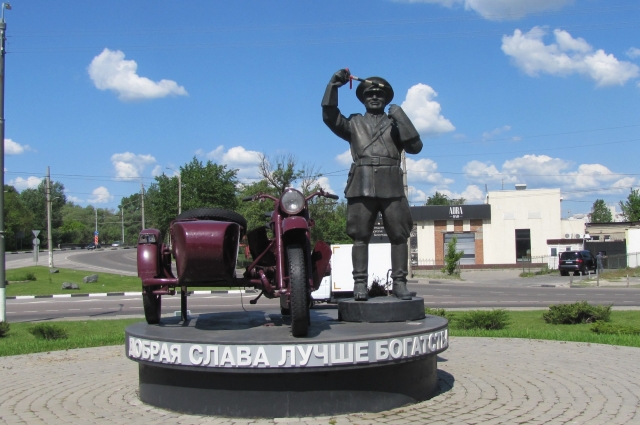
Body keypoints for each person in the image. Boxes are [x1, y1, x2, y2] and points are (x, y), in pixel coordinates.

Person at [321, 68, 423, 301]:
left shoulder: (396, 124)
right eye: (369, 95)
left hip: (392, 185)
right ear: (363, 98)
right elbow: (329, 115)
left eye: (379, 95)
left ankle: (399, 283)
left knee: (399, 235)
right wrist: (332, 86)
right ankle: (359, 284)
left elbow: (416, 147)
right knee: (360, 236)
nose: (374, 98)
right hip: (362, 183)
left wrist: (402, 117)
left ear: (387, 99)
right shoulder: (354, 123)